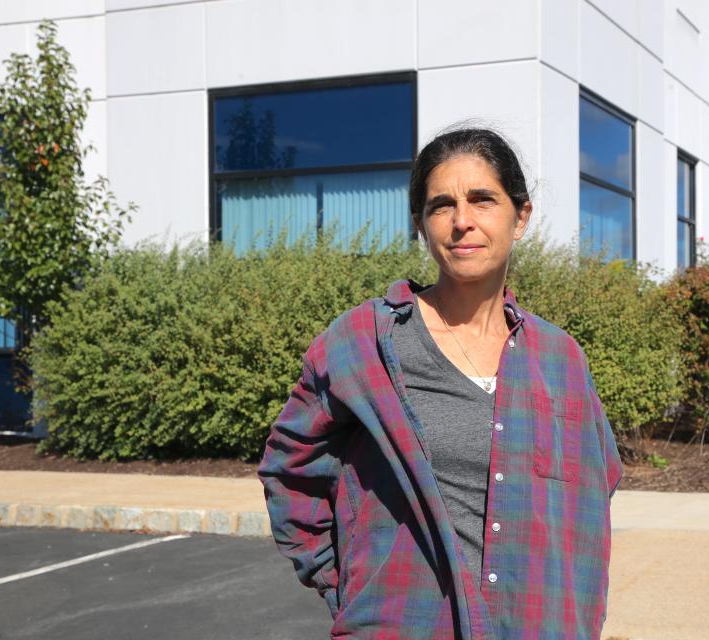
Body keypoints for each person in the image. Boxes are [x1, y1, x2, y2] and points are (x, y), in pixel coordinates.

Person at [257, 127, 625, 639]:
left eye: (482, 200)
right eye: (441, 206)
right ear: (421, 225)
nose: (462, 222)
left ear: (520, 218)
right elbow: (289, 465)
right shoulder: (364, 343)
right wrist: (347, 586)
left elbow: (593, 490)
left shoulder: (560, 359)